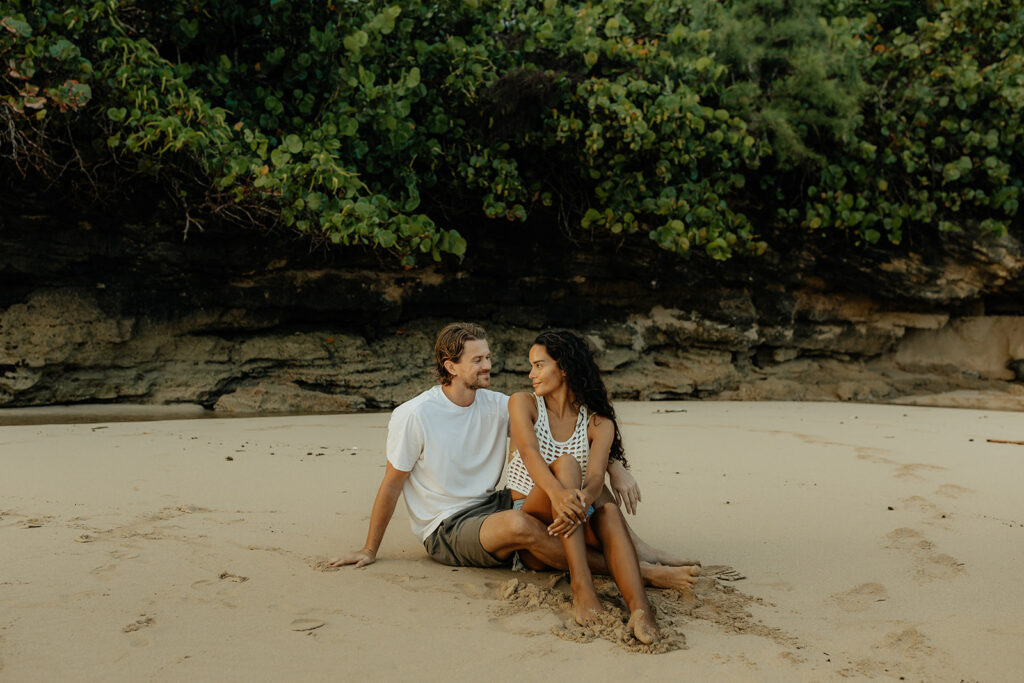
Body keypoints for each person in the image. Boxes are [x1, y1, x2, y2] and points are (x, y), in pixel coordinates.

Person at [329, 324, 699, 638]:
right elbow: (392, 484)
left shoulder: (496, 404)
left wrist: (616, 465)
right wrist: (369, 548)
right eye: (478, 360)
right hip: (446, 525)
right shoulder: (415, 415)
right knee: (522, 521)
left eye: (488, 357)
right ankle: (639, 572)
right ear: (451, 366)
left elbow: (563, 431)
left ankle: (639, 560)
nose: (489, 365)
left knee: (581, 479)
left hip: (495, 503)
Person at [506, 330, 665, 642]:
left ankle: (640, 608)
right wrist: (560, 496)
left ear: (563, 368)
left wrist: (579, 501)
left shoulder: (598, 422)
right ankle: (582, 586)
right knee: (566, 464)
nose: (531, 374)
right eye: (532, 366)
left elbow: (594, 479)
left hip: (574, 518)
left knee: (607, 512)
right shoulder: (524, 404)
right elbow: (528, 452)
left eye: (539, 365)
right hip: (535, 518)